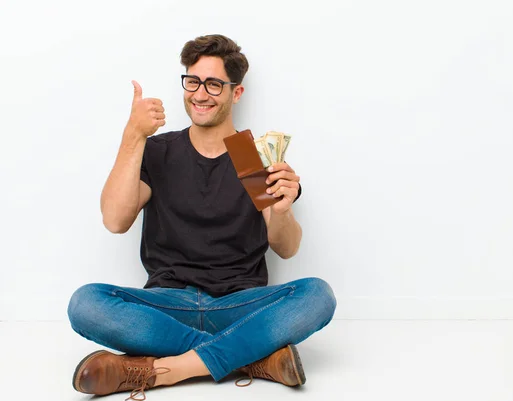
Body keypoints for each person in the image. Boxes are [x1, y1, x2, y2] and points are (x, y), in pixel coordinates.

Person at [67, 34, 336, 401]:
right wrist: (133, 135)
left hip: (238, 305)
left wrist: (283, 211)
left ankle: (163, 371)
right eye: (192, 81)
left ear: (235, 93)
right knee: (85, 303)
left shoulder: (251, 158)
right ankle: (249, 360)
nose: (200, 93)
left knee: (318, 295)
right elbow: (115, 220)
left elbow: (286, 248)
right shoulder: (158, 152)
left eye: (213, 84)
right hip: (168, 307)